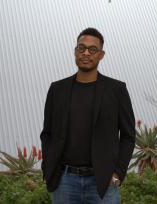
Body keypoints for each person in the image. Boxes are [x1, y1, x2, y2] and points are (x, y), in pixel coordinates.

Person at [40, 27, 136, 204]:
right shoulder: (57, 90)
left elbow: (129, 137)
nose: (86, 53)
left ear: (101, 55)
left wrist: (118, 173)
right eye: (81, 48)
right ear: (75, 51)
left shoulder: (117, 90)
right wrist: (48, 169)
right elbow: (47, 134)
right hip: (64, 182)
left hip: (103, 183)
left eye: (92, 50)